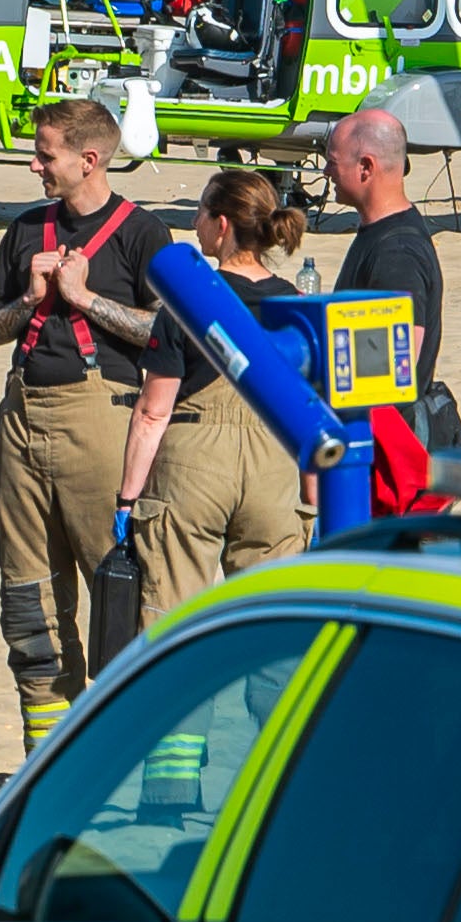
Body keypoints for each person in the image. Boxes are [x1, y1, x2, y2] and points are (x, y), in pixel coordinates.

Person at [0, 95, 165, 750]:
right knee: (31, 609)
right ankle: (46, 763)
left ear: (88, 159)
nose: (33, 164)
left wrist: (85, 300)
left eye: (44, 154)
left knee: (117, 603)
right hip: (22, 421)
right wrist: (28, 299)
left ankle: (117, 757)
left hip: (101, 424)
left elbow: (164, 334)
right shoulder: (26, 230)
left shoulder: (143, 234)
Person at [122, 167, 316, 611]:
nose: (195, 224)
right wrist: (312, 500)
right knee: (271, 622)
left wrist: (126, 499)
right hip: (274, 456)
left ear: (222, 224)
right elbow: (309, 413)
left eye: (201, 213)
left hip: (195, 457)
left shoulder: (188, 302)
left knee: (168, 617)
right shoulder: (296, 306)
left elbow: (153, 413)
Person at [327, 106, 444, 390]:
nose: (326, 171)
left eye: (333, 161)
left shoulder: (397, 253)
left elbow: (395, 367)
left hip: (383, 429)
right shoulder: (382, 232)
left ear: (366, 167)